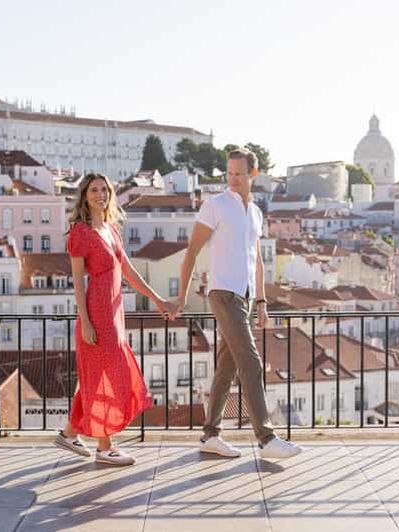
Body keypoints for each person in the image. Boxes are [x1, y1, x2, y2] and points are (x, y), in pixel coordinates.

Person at [173, 148, 302, 460]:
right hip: (222, 293)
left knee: (226, 368)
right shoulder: (215, 206)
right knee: (251, 362)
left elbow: (256, 260)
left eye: (239, 173)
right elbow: (191, 251)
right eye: (229, 173)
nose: (232, 178)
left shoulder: (255, 213)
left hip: (242, 297)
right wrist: (181, 296)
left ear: (252, 175)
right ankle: (266, 437)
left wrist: (261, 302)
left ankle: (210, 435)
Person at [55, 172, 176, 466]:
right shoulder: (80, 233)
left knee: (97, 377)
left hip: (114, 312)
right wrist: (85, 322)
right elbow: (77, 282)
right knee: (108, 376)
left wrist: (158, 300)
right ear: (84, 195)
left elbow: (129, 272)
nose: (100, 195)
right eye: (94, 190)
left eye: (104, 190)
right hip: (96, 314)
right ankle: (105, 446)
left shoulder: (111, 229)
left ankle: (69, 433)